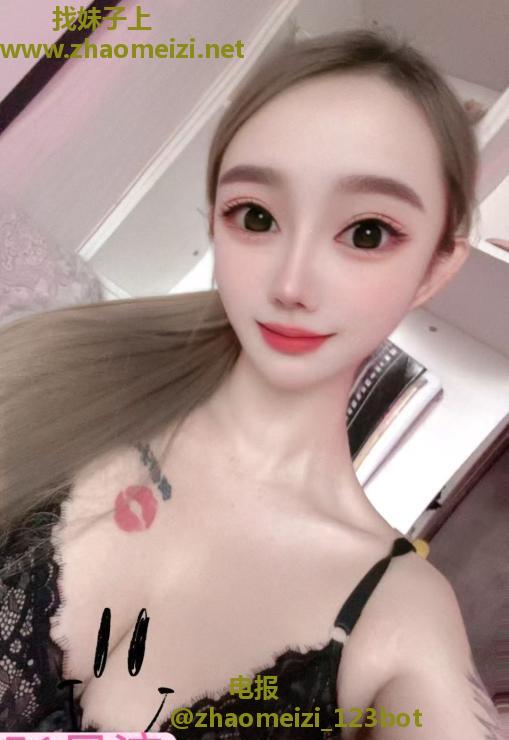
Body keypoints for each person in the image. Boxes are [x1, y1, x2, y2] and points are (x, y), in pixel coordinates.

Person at [0, 27, 502, 740]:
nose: (292, 284)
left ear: (434, 267)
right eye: (257, 217)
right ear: (215, 219)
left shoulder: (397, 619)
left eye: (366, 233)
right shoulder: (52, 372)